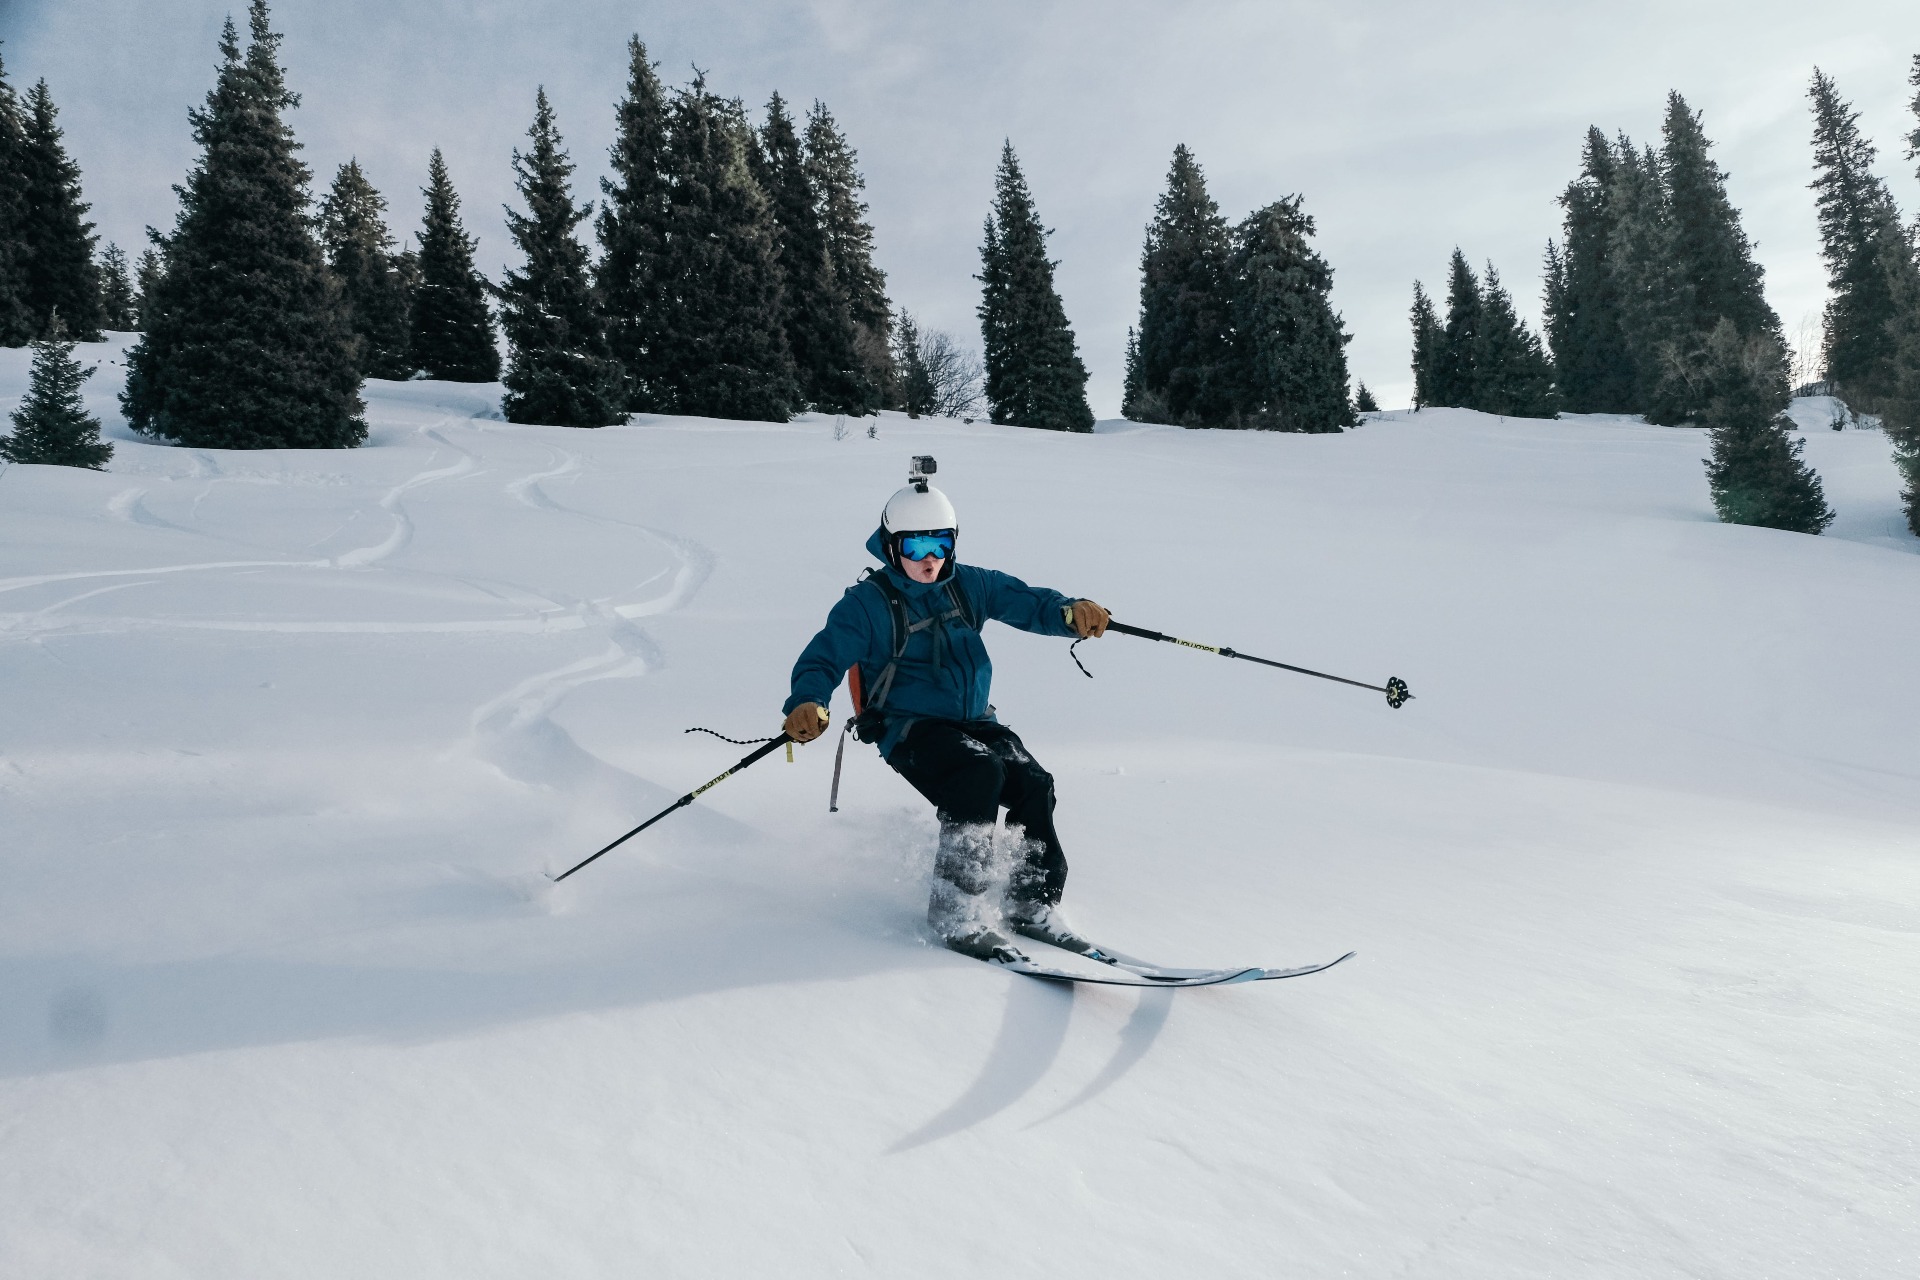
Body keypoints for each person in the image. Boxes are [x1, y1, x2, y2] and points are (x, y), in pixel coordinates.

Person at [782, 458, 1110, 964]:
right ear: (893, 546)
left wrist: (1071, 612)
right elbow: (823, 656)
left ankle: (1032, 903)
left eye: (940, 544)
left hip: (975, 720)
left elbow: (1027, 602)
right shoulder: (867, 604)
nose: (929, 558)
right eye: (915, 546)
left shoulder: (969, 585)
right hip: (907, 727)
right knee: (977, 773)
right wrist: (808, 702)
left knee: (1032, 782)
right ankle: (957, 913)